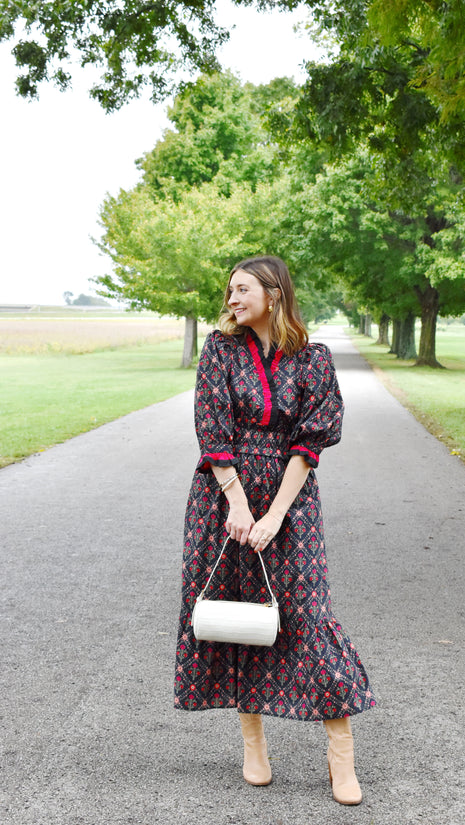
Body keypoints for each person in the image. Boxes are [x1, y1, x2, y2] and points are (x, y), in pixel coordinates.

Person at [174, 255, 375, 805]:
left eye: (242, 290)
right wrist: (238, 505)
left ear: (274, 292)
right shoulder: (218, 351)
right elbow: (210, 429)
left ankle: (341, 759)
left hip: (290, 497)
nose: (232, 299)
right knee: (239, 614)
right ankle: (253, 746)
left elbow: (311, 441)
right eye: (229, 291)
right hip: (222, 498)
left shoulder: (313, 359)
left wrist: (275, 514)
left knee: (308, 616)